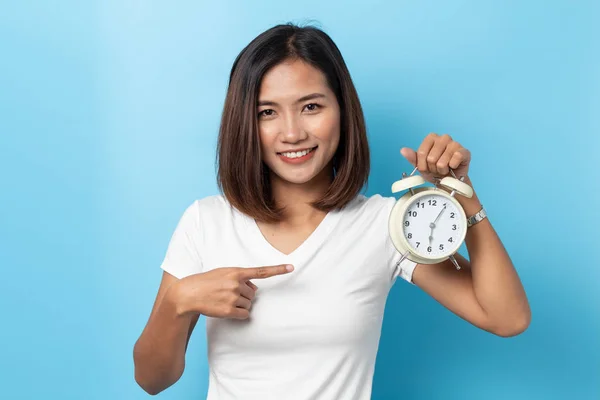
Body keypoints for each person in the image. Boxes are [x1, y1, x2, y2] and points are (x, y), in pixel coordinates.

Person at [133, 23, 531, 399]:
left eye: (310, 106)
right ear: (245, 124)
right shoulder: (206, 221)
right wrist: (178, 301)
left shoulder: (385, 225)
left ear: (342, 109)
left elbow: (506, 318)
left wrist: (464, 195)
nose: (292, 133)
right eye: (267, 112)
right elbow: (152, 379)